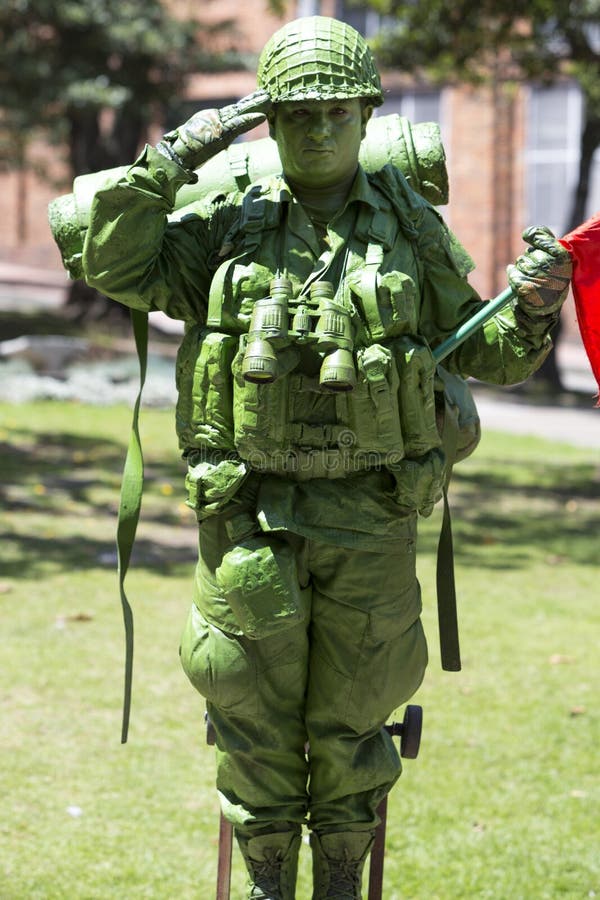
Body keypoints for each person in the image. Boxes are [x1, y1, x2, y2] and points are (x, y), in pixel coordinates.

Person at [81, 16, 572, 899]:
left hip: (370, 515)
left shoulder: (411, 233)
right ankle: (271, 884)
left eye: (334, 112)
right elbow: (112, 258)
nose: (315, 131)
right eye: (295, 114)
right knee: (250, 716)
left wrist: (535, 307)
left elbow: (487, 354)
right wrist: (189, 145)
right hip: (248, 516)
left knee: (355, 724)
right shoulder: (226, 222)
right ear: (268, 123)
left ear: (365, 115)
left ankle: (341, 879)